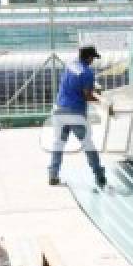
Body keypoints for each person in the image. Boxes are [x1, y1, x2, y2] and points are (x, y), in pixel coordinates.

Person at [47, 45, 107, 188]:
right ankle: (99, 176)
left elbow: (74, 84)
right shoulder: (87, 72)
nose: (93, 60)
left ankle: (53, 175)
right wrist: (102, 100)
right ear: (88, 57)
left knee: (58, 144)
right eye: (93, 58)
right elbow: (87, 95)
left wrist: (92, 88)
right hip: (75, 113)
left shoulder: (71, 65)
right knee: (87, 144)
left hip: (59, 110)